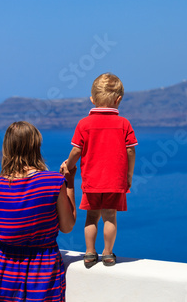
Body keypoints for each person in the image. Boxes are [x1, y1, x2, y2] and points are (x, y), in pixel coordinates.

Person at [0, 121, 76, 302]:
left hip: (1, 274)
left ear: (7, 148)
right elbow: (67, 226)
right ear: (36, 147)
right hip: (43, 273)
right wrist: (69, 183)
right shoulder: (53, 182)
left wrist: (10, 259)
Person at [64, 72, 137, 268]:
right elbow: (130, 151)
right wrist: (128, 175)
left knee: (91, 217)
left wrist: (68, 165)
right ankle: (107, 254)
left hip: (91, 181)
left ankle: (89, 253)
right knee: (110, 217)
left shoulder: (84, 124)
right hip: (115, 181)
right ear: (119, 99)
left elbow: (76, 150)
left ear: (92, 99)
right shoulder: (124, 124)